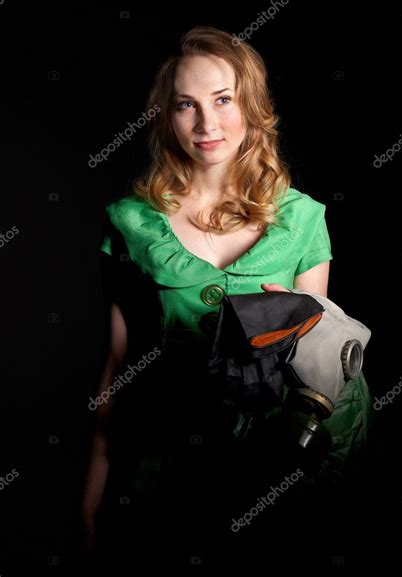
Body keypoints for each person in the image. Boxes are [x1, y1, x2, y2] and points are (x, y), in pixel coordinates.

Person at [80, 26, 373, 572]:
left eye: (223, 100)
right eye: (186, 105)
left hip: (274, 472)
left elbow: (320, 372)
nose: (206, 123)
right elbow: (116, 367)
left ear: (252, 107)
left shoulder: (304, 218)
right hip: (168, 468)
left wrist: (304, 320)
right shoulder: (129, 222)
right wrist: (91, 498)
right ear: (166, 115)